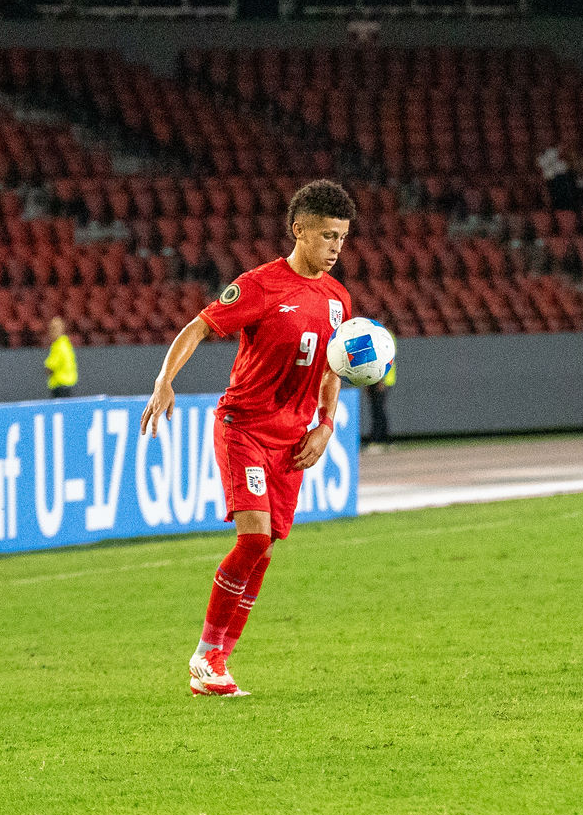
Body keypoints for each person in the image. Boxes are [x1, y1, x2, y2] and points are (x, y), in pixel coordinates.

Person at [140, 179, 357, 697]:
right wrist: (164, 380)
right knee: (254, 537)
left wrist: (325, 425)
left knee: (264, 551)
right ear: (298, 230)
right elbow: (196, 327)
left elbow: (332, 369)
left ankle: (218, 664)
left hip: (292, 440)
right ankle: (205, 655)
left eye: (342, 239)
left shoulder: (338, 300)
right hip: (244, 428)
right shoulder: (260, 285)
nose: (335, 248)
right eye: (327, 236)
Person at [365, 355, 396, 454]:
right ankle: (386, 440)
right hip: (374, 379)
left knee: (378, 410)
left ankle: (377, 440)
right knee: (377, 410)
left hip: (382, 380)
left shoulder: (387, 339)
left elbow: (386, 358)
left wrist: (381, 380)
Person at [44, 317, 78, 398]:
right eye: (52, 329)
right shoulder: (66, 343)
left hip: (60, 386)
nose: (52, 332)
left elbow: (50, 368)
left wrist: (47, 369)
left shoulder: (58, 346)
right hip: (69, 384)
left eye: (54, 329)